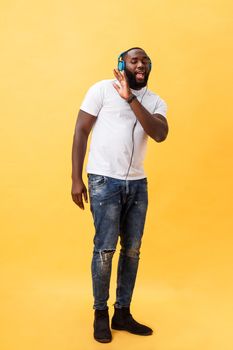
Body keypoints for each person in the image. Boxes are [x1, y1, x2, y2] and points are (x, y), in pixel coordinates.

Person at [71, 47, 169, 343]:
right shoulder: (101, 90)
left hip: (137, 184)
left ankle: (122, 313)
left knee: (132, 250)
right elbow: (80, 131)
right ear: (121, 65)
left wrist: (131, 99)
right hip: (104, 180)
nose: (140, 64)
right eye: (134, 60)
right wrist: (76, 178)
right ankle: (100, 313)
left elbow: (159, 133)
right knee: (104, 250)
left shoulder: (154, 101)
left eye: (145, 61)